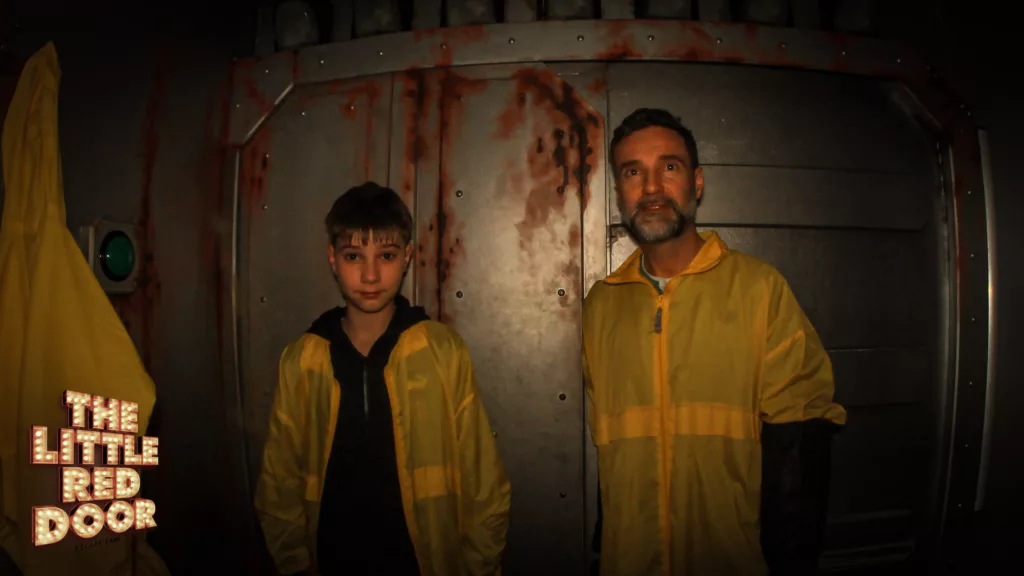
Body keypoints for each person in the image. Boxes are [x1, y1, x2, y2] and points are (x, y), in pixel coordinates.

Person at [582, 108, 847, 576]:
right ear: (619, 192)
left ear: (697, 182)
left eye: (669, 166)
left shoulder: (759, 290)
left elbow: (800, 452)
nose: (651, 188)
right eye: (632, 172)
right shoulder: (600, 306)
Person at [254, 182, 511, 576]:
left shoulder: (442, 350)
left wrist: (479, 566)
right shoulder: (303, 359)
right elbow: (278, 481)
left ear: (406, 257)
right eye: (354, 256)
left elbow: (484, 481)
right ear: (332, 259)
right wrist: (295, 564)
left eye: (386, 255)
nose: (371, 274)